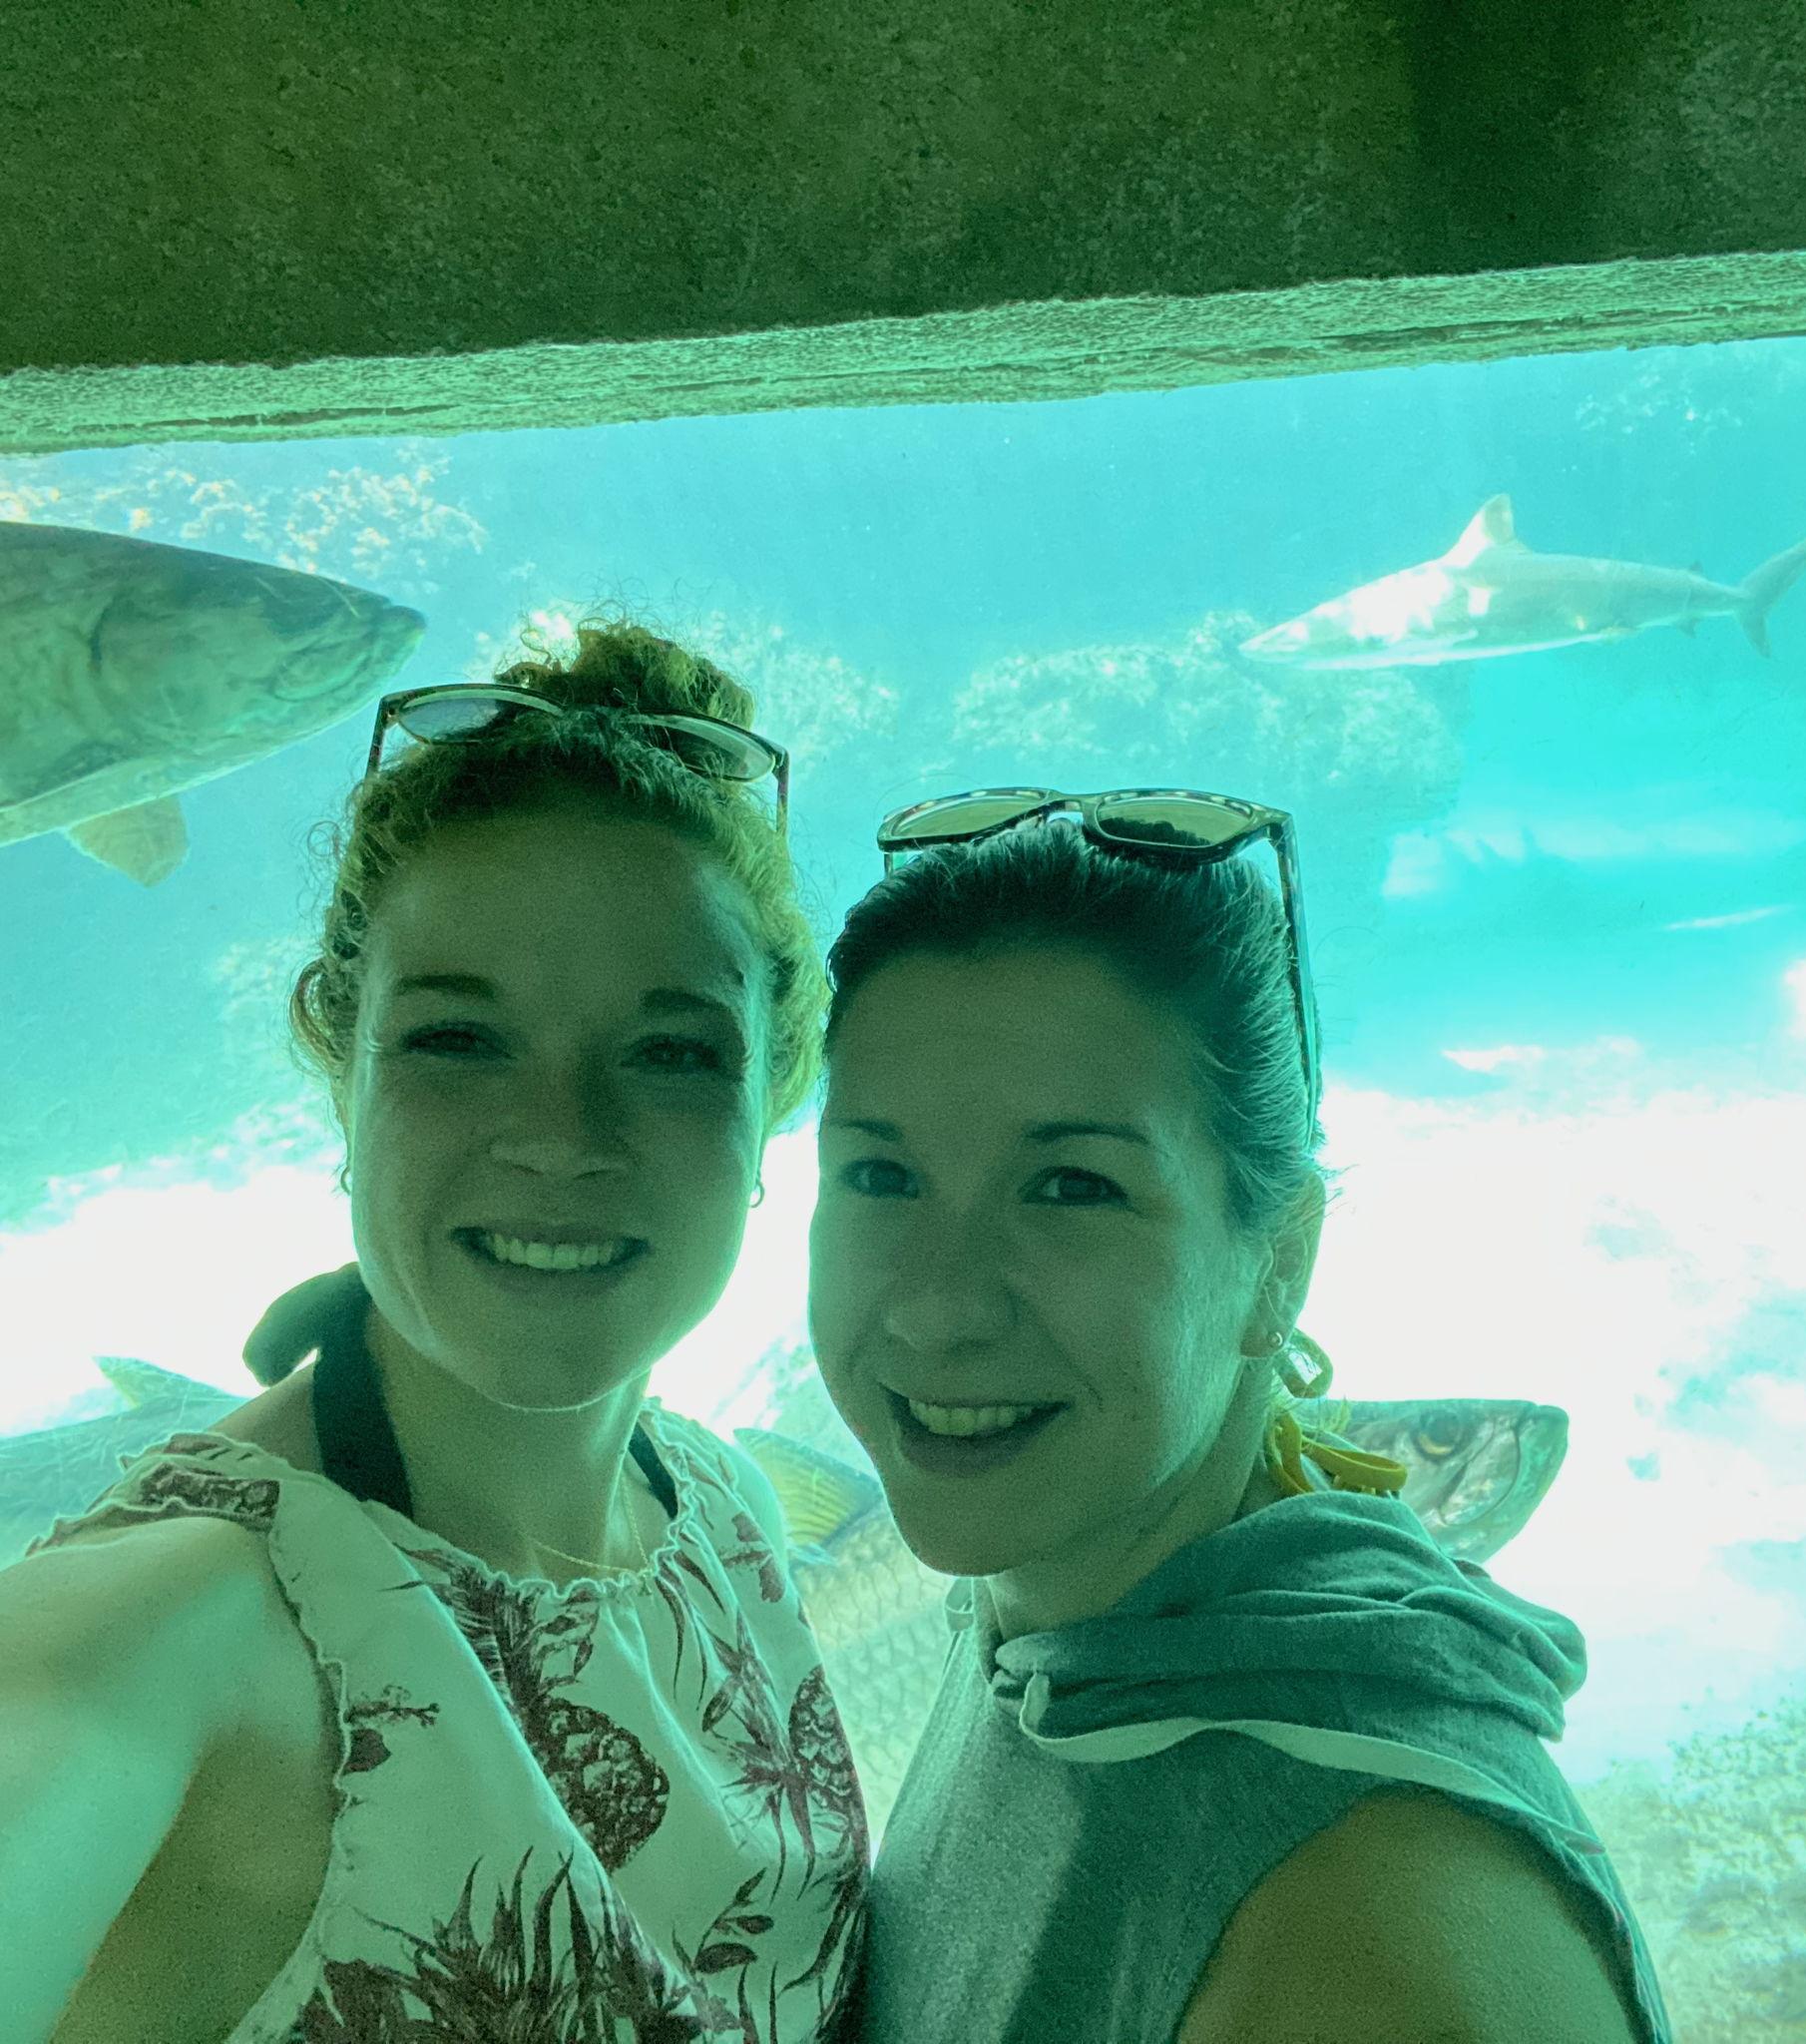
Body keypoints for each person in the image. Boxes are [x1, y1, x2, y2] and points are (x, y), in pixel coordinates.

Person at [20, 613, 1672, 2044]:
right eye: (458, 1038)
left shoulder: (728, 1523)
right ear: (339, 1065)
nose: (560, 1136)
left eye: (671, 1050)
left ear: (765, 1105)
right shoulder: (161, 1631)